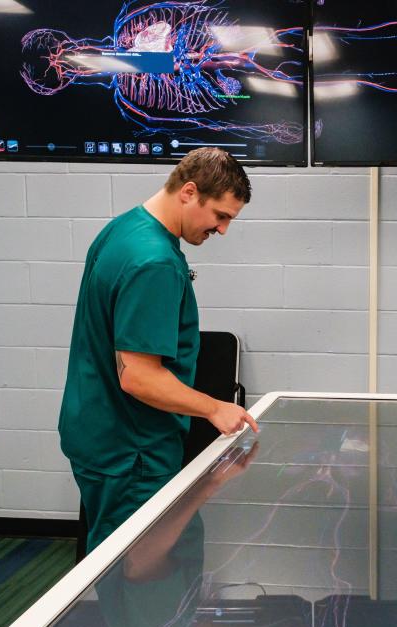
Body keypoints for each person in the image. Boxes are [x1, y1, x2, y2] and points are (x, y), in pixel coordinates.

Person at [59, 147, 259, 553]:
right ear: (189, 192)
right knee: (142, 565)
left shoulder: (123, 230)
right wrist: (214, 408)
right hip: (133, 451)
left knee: (114, 550)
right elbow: (139, 376)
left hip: (99, 433)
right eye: (220, 216)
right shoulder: (155, 263)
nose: (222, 230)